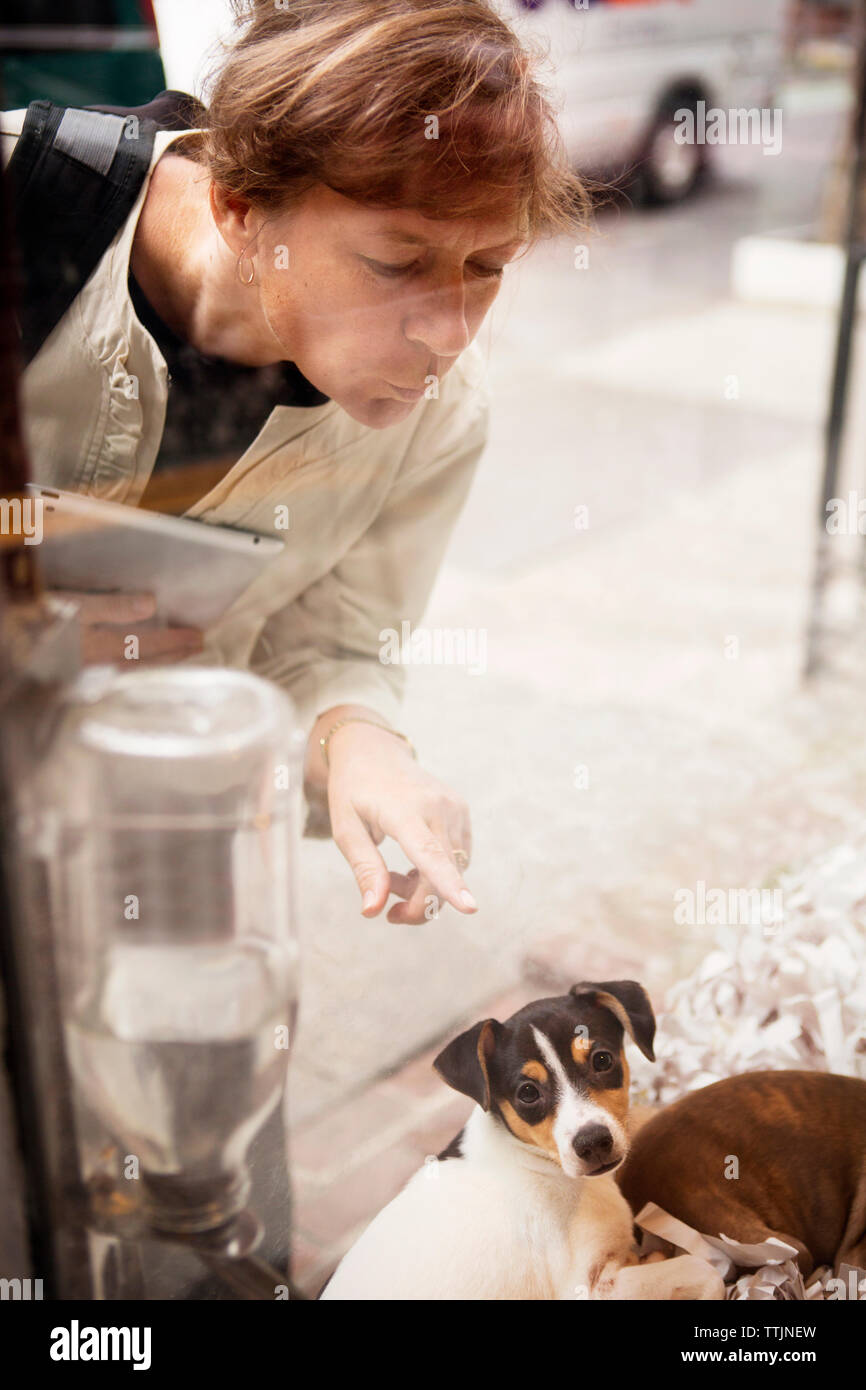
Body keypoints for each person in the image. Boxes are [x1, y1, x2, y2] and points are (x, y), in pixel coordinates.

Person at [2, 0, 584, 924]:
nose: (448, 335)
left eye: (488, 265)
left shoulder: (441, 415)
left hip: (119, 867)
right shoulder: (27, 201)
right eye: (397, 262)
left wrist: (358, 737)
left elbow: (336, 639)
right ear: (240, 207)